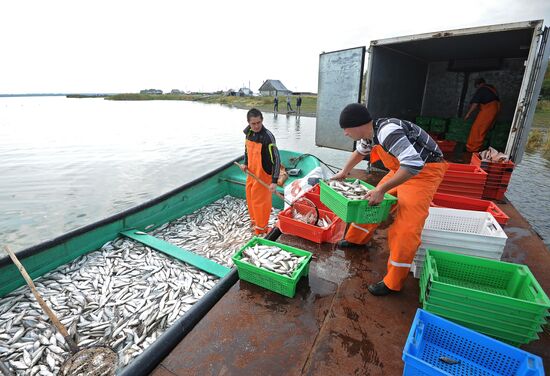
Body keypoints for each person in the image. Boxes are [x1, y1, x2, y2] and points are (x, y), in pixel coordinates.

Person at [332, 103, 447, 296]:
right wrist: (344, 172)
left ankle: (393, 282)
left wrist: (382, 188)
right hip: (400, 170)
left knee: (406, 228)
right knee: (367, 202)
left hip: (424, 173)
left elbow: (413, 164)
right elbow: (360, 152)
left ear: (358, 125)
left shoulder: (387, 131)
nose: (345, 133)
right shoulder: (370, 134)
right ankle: (356, 239)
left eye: (346, 129)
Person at [240, 108, 281, 235]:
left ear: (262, 120)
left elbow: (277, 159)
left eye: (259, 122)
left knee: (261, 204)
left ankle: (262, 230)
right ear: (249, 123)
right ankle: (254, 223)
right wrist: (245, 164)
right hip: (251, 173)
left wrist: (274, 181)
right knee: (251, 199)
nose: (257, 126)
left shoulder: (268, 136)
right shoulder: (248, 133)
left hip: (263, 176)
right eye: (253, 123)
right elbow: (247, 150)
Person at [464, 78, 501, 153]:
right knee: (483, 130)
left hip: (489, 110)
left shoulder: (482, 89)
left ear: (478, 84)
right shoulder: (491, 88)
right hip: (495, 109)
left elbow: (475, 103)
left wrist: (468, 114)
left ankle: (472, 149)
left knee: (477, 129)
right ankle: (476, 148)